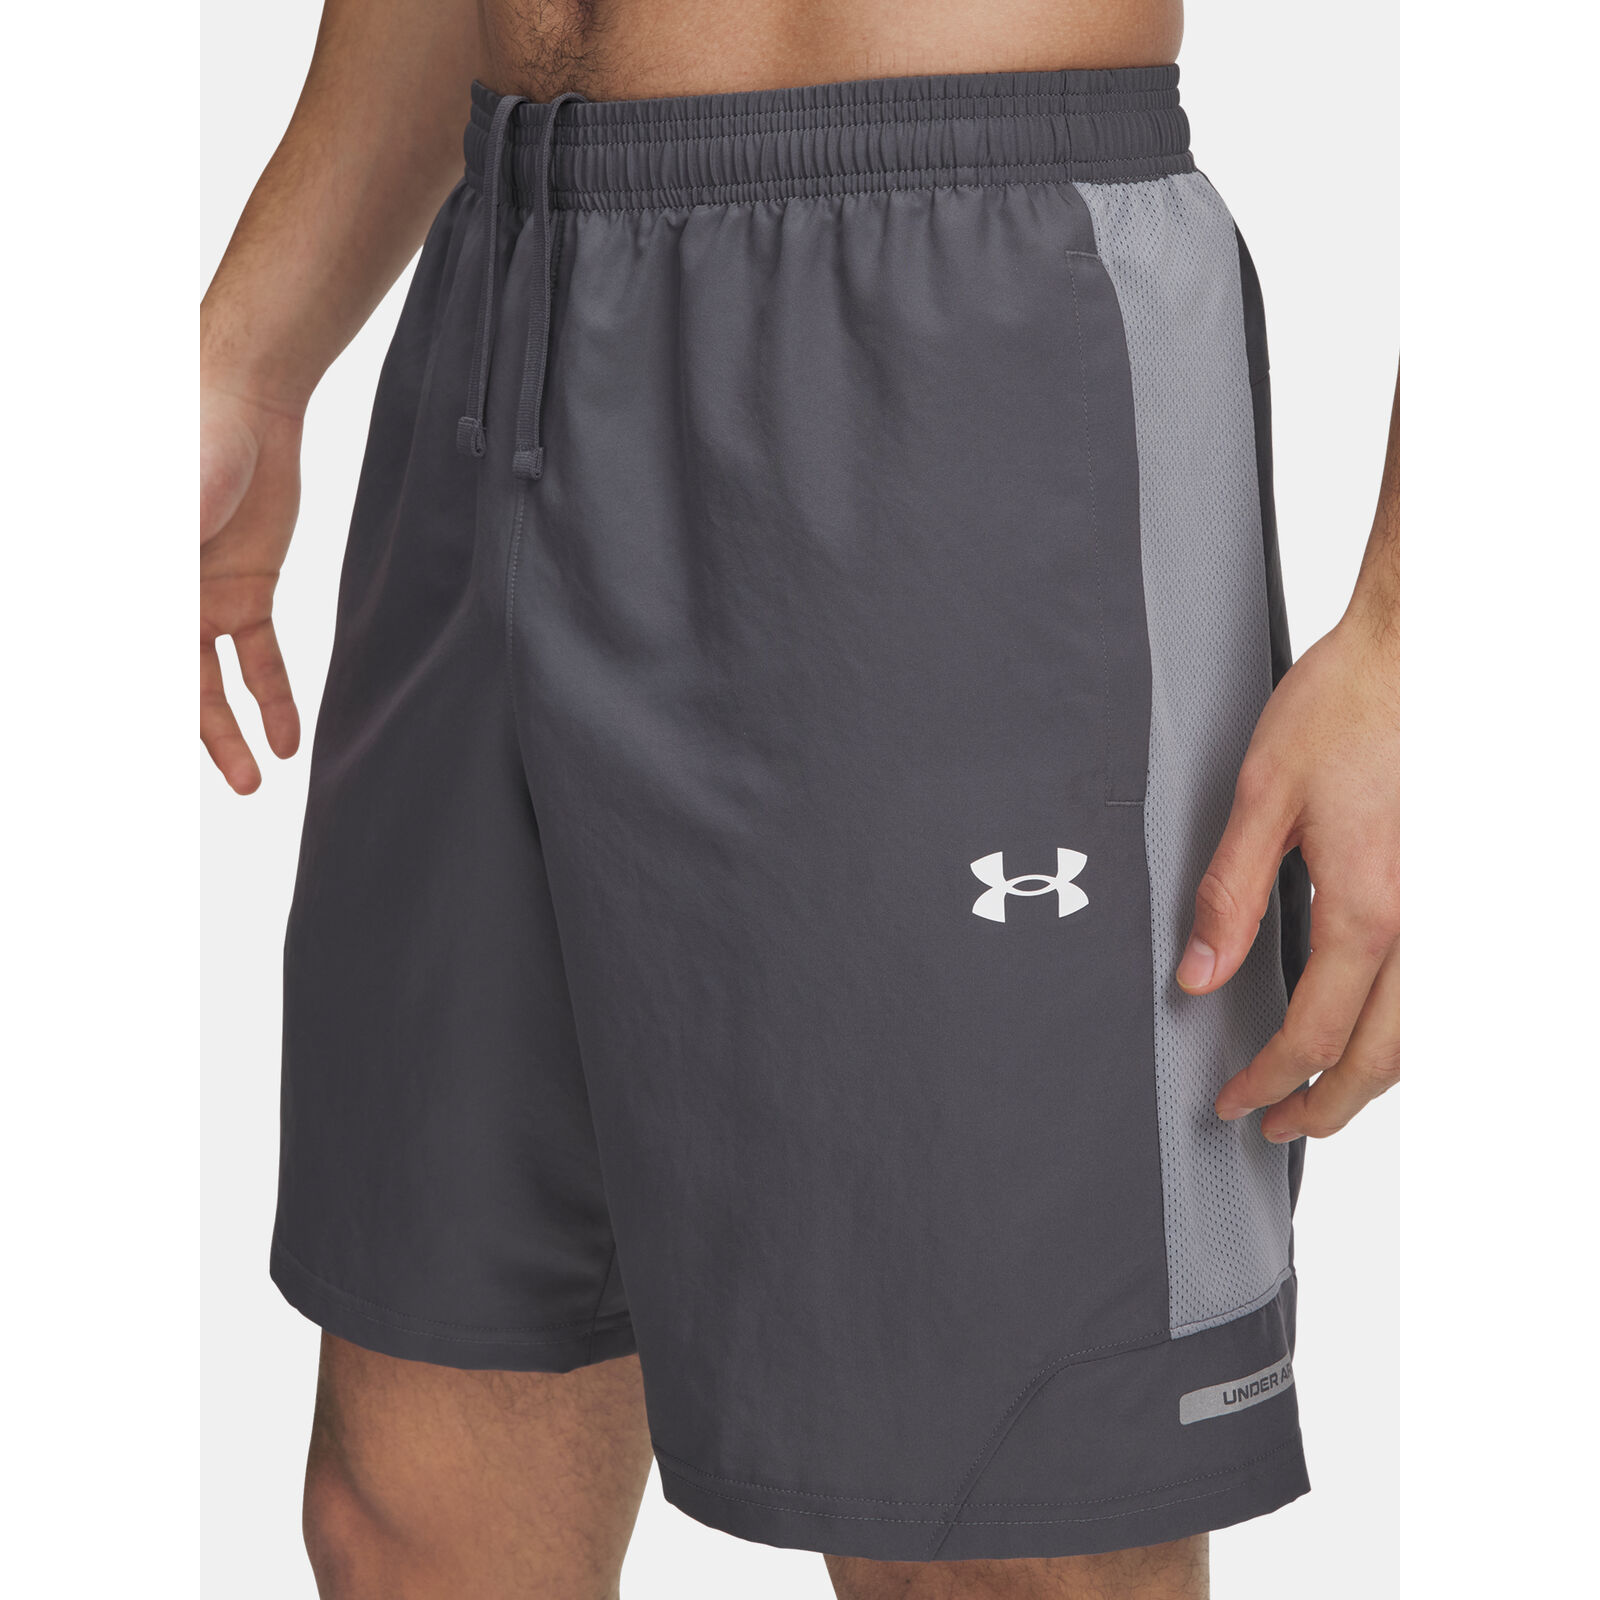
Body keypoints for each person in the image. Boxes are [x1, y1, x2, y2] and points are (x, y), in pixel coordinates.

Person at [200, 1, 1399, 1594]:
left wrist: (1420, 636)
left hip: (956, 317)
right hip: (508, 302)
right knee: (410, 1513)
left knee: (994, 1543)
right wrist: (253, 354)